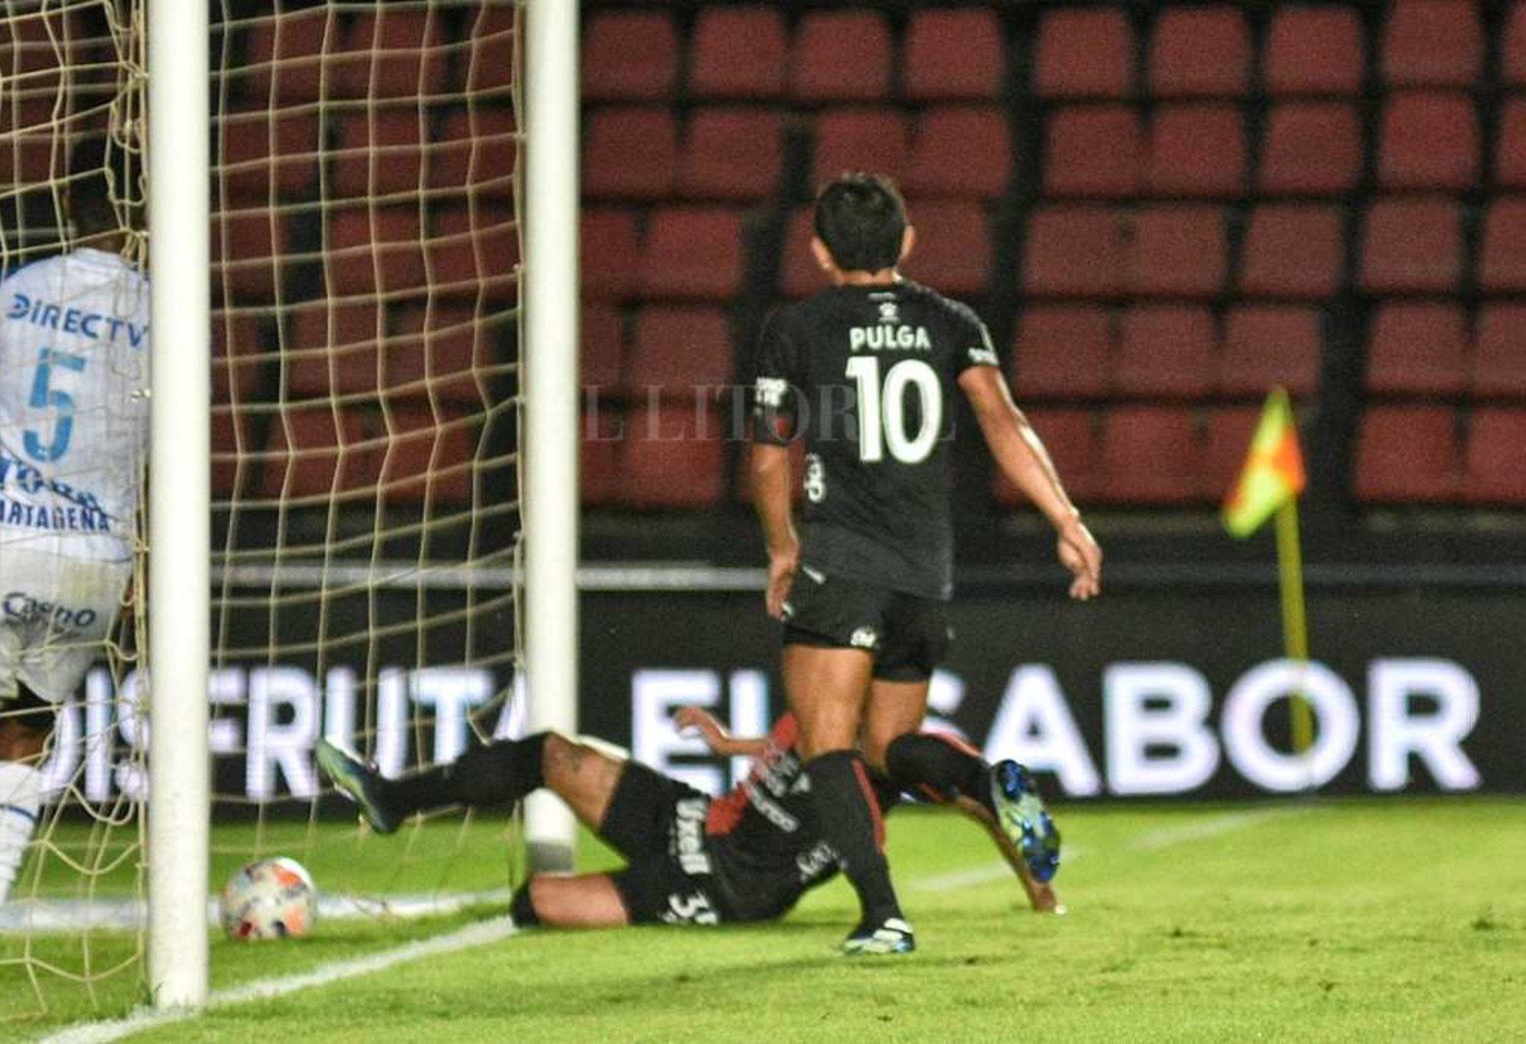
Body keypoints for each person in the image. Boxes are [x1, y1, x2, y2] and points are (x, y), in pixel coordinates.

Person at [749, 172, 1101, 954]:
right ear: (907, 242)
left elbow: (771, 455)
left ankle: (882, 917)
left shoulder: (795, 327)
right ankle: (978, 782)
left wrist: (781, 547)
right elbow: (1004, 422)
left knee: (829, 747)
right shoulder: (950, 320)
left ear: (816, 251)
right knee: (888, 752)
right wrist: (1066, 520)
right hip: (923, 573)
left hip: (840, 561)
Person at [313, 707, 1062, 934]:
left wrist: (1036, 886)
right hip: (700, 819)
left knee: (536, 905)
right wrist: (729, 742)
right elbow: (790, 742)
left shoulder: (885, 748)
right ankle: (394, 800)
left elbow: (975, 809)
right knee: (553, 755)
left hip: (733, 883)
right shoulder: (826, 684)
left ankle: (984, 773)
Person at [0, 147, 148, 1007]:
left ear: (65, 207)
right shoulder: (169, 311)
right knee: (25, 737)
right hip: (100, 560)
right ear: (144, 218)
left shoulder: (6, 289)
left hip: (6, 538)